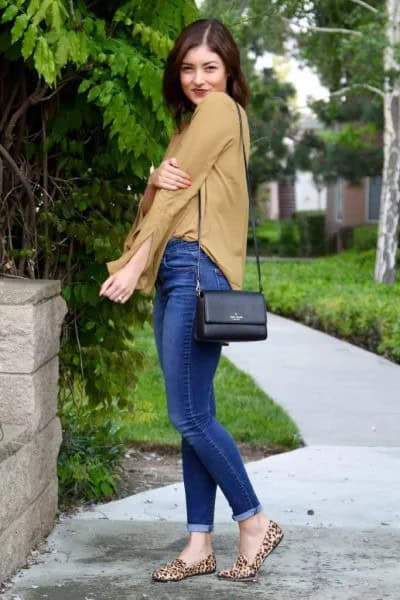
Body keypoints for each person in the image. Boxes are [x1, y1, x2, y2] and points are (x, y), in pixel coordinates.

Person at [99, 18, 283, 583]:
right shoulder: (191, 124)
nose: (198, 79)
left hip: (193, 267)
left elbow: (172, 202)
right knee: (194, 414)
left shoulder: (220, 112)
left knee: (188, 413)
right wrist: (155, 179)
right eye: (188, 68)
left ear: (229, 71)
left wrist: (133, 263)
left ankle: (255, 522)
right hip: (183, 266)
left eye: (210, 67)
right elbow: (165, 192)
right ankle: (199, 542)